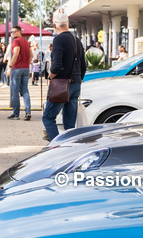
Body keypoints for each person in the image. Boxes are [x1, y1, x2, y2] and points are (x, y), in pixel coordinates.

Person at [42, 11, 87, 141]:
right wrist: (79, 79)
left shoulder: (58, 39)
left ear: (55, 24)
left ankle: (57, 146)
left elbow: (56, 65)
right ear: (67, 23)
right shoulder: (76, 40)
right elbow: (83, 65)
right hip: (76, 83)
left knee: (48, 117)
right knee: (69, 122)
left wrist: (50, 76)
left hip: (61, 85)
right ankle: (69, 146)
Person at [7, 26, 32, 120]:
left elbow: (16, 53)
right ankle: (28, 111)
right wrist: (27, 64)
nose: (12, 34)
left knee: (15, 91)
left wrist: (10, 66)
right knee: (25, 90)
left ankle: (16, 114)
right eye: (11, 32)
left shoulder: (16, 41)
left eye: (14, 32)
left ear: (19, 32)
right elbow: (31, 55)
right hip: (25, 68)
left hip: (17, 68)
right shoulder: (26, 41)